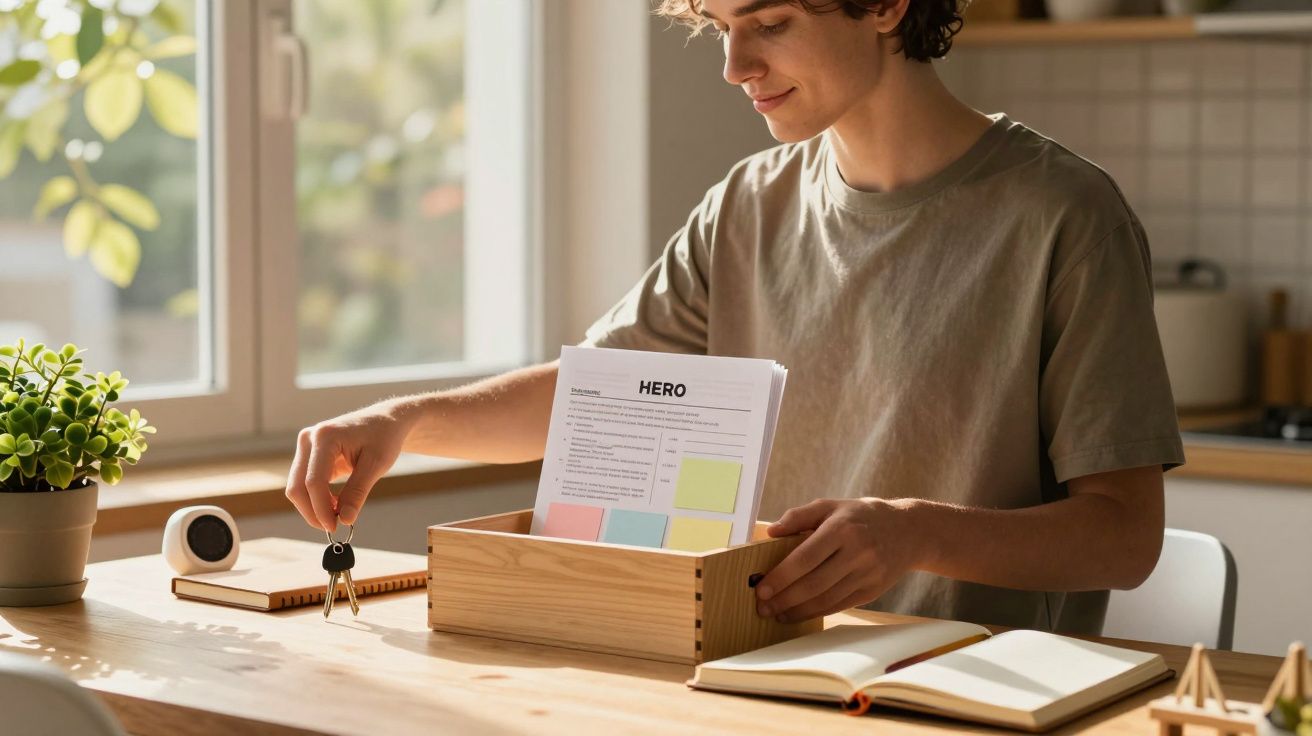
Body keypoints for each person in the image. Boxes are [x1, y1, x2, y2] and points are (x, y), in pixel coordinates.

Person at [285, 0, 1185, 635]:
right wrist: (408, 421)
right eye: (720, 27)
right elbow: (600, 396)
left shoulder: (1063, 216)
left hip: (965, 699)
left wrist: (914, 532)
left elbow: (1123, 536)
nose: (734, 66)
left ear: (884, 5)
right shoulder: (749, 205)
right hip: (768, 675)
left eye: (771, 22)